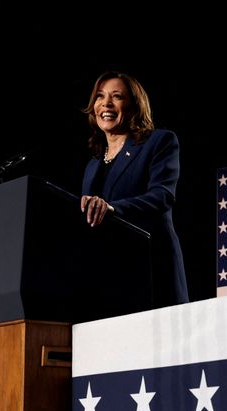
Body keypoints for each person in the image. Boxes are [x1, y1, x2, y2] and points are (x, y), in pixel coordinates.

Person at [80, 71, 188, 308]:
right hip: (106, 280)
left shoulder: (159, 142)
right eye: (100, 96)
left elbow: (162, 196)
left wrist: (111, 208)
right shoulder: (92, 165)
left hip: (151, 271)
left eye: (116, 96)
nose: (106, 104)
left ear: (134, 106)